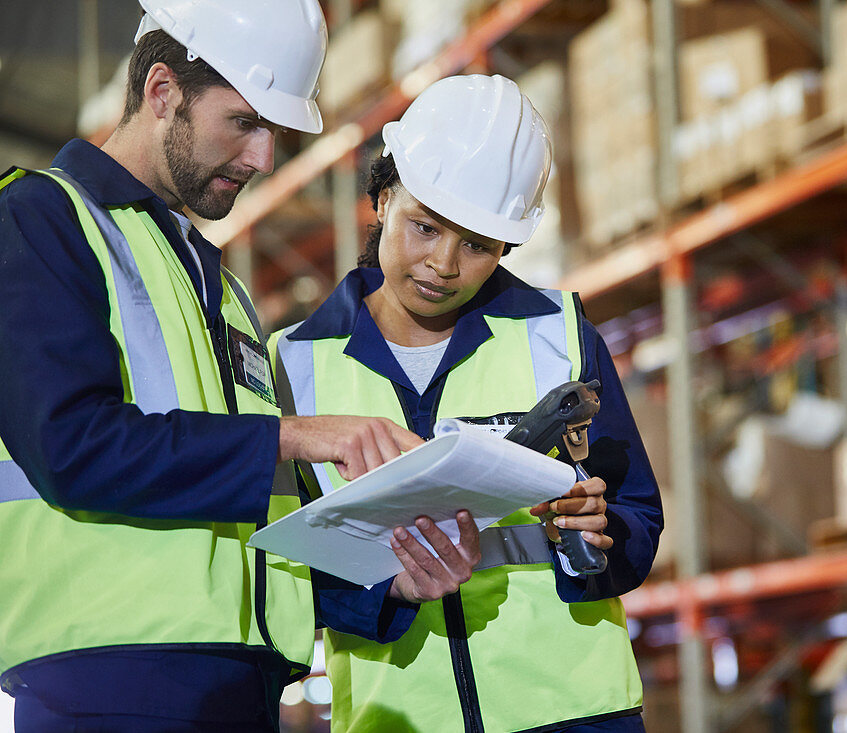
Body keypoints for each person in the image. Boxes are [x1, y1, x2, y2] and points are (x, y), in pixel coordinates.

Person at [0, 2, 479, 730]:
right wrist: (300, 434)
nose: (261, 159)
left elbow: (247, 535)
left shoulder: (218, 288)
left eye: (273, 133)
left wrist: (389, 585)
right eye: (245, 122)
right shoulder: (39, 220)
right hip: (108, 687)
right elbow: (71, 445)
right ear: (161, 92)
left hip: (239, 691)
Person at [269, 74, 664, 733]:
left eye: (477, 244)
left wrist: (598, 532)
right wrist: (382, 589)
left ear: (507, 245)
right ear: (384, 196)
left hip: (574, 715)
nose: (443, 264)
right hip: (399, 719)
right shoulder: (293, 364)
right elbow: (279, 574)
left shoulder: (559, 336)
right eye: (424, 228)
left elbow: (638, 518)